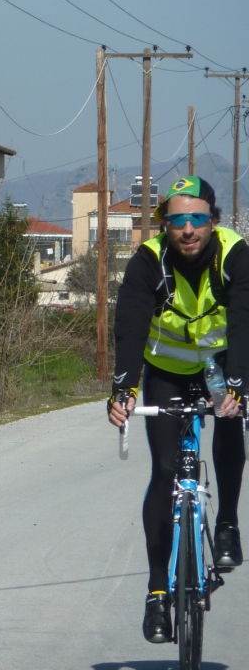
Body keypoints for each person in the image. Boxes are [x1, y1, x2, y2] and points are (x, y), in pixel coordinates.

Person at [108, 176, 249, 644]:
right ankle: (156, 594)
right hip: (166, 370)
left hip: (219, 366)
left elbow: (245, 318)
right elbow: (130, 322)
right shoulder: (149, 260)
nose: (188, 229)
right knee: (165, 471)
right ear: (164, 225)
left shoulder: (234, 254)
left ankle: (227, 523)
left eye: (197, 218)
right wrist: (124, 387)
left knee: (229, 418)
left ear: (213, 220)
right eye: (177, 220)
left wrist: (239, 385)